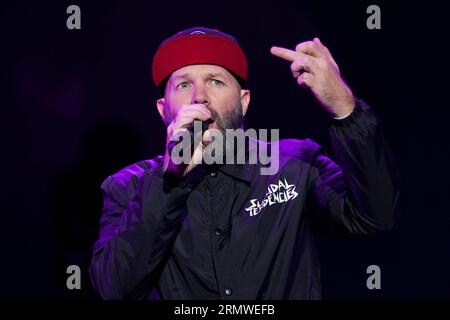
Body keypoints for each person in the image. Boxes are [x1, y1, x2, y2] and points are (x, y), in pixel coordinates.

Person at [89, 27, 400, 300]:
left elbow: (375, 216)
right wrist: (167, 181)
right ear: (163, 109)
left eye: (215, 81)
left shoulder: (293, 164)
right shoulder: (127, 186)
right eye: (183, 85)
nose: (200, 97)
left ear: (244, 101)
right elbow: (115, 288)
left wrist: (344, 107)